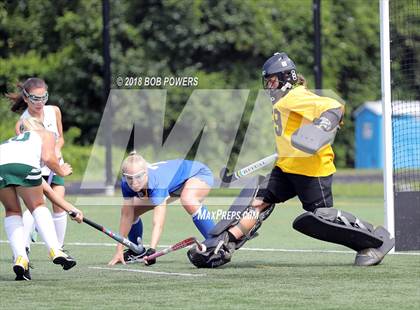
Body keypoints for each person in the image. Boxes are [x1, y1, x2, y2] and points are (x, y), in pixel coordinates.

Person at [188, 52, 394, 268]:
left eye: (273, 81)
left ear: (287, 78)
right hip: (286, 168)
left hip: (311, 172)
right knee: (257, 201)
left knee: (322, 219)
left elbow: (334, 106)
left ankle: (375, 241)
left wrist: (321, 127)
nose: (269, 86)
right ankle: (223, 244)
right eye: (267, 82)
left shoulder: (295, 96)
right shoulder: (284, 101)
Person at [0, 117, 83, 281]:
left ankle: (20, 258)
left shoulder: (15, 143)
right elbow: (49, 158)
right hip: (23, 166)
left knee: (12, 210)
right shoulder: (47, 134)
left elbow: (47, 190)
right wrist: (61, 171)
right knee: (38, 206)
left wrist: (71, 209)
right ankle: (55, 250)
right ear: (41, 127)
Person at [108, 152, 215, 266]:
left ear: (146, 173)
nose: (134, 183)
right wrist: (119, 250)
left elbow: (158, 222)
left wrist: (152, 250)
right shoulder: (125, 183)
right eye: (129, 178)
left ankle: (216, 242)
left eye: (138, 177)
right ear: (124, 176)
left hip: (198, 174)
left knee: (187, 199)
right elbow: (127, 216)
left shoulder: (157, 182)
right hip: (174, 186)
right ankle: (136, 251)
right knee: (132, 211)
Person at [6, 77, 68, 251]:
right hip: (37, 168)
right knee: (35, 206)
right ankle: (23, 246)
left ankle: (59, 248)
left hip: (56, 163)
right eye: (35, 98)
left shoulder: (54, 110)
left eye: (44, 97)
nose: (40, 102)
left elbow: (61, 138)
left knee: (59, 202)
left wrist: (56, 149)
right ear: (26, 98)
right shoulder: (22, 123)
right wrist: (47, 155)